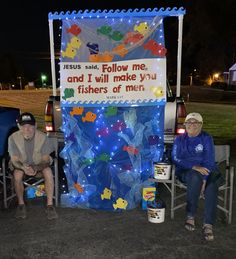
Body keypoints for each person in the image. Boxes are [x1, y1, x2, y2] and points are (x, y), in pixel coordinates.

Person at [171, 112, 220, 241]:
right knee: (194, 177)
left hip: (208, 170)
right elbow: (175, 158)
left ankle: (208, 223)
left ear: (201, 125)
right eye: (189, 122)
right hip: (187, 171)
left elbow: (209, 160)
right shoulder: (179, 139)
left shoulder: (206, 137)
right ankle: (190, 215)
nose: (191, 124)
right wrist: (193, 166)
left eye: (195, 122)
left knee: (211, 185)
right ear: (185, 124)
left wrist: (204, 180)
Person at [8, 112, 58, 220]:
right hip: (21, 166)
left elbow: (45, 160)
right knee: (17, 174)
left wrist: (36, 168)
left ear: (35, 126)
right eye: (24, 126)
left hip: (38, 166)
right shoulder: (12, 138)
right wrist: (23, 167)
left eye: (30, 126)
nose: (27, 129)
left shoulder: (43, 137)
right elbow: (15, 160)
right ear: (19, 126)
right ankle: (21, 205)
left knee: (48, 171)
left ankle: (49, 205)